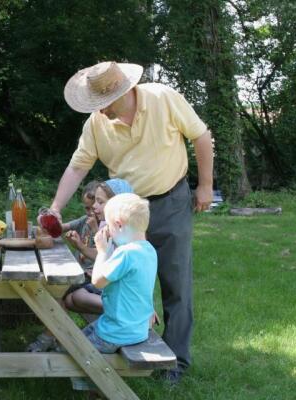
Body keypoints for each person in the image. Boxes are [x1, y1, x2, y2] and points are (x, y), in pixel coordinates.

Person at [50, 61, 214, 383]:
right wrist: (56, 207)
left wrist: (205, 185)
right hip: (124, 212)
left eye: (101, 105)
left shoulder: (163, 98)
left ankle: (175, 364)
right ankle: (128, 338)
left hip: (169, 202)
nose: (98, 112)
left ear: (120, 93)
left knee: (175, 284)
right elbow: (77, 167)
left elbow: (201, 136)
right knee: (122, 281)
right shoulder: (96, 124)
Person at [28, 178, 133, 352]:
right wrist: (48, 219)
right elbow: (57, 229)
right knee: (64, 295)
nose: (92, 210)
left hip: (97, 279)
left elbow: (108, 260)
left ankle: (49, 337)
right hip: (92, 277)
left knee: (58, 291)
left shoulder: (114, 231)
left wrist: (82, 245)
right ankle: (56, 336)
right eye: (89, 207)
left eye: (97, 204)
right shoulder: (92, 222)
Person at [70, 193, 157, 391]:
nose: (106, 230)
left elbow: (98, 282)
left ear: (118, 224)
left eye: (108, 226)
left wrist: (101, 252)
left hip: (117, 331)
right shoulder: (148, 249)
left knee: (76, 349)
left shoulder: (126, 253)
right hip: (137, 328)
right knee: (76, 337)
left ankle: (98, 387)